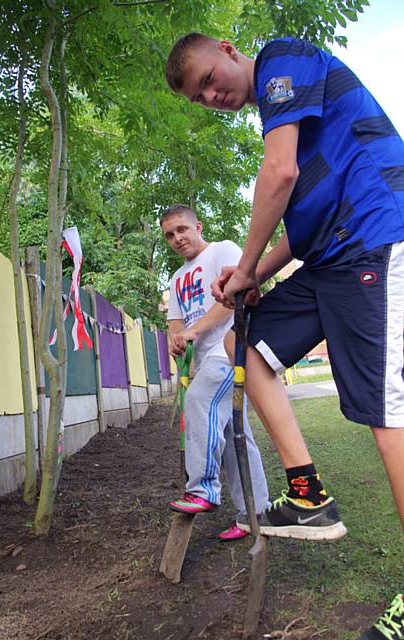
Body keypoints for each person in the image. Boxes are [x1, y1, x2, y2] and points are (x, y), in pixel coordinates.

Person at [165, 34, 404, 639]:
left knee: (388, 416)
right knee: (242, 345)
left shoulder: (284, 59)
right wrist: (252, 279)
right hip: (327, 261)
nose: (213, 95)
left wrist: (244, 265)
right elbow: (301, 224)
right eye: (200, 97)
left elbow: (280, 172)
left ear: (228, 48)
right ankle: (308, 495)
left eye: (210, 79)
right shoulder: (287, 118)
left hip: (376, 240)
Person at [161, 204, 270, 540]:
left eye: (182, 229)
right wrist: (177, 339)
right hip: (204, 359)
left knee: (199, 401)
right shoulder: (178, 277)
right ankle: (255, 513)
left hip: (232, 347)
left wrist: (194, 331)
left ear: (198, 227)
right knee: (237, 435)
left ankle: (204, 489)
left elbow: (234, 299)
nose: (177, 238)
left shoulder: (223, 250)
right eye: (169, 235)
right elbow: (175, 322)